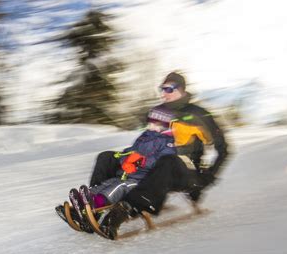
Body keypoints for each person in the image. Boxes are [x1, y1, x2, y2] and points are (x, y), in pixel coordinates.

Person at [94, 71, 229, 239]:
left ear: (182, 90)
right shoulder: (160, 113)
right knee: (106, 157)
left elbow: (223, 148)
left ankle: (126, 209)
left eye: (169, 89)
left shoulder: (198, 114)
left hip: (185, 172)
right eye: (162, 89)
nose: (163, 93)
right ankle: (95, 206)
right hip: (155, 167)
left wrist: (209, 175)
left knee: (168, 161)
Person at [88, 106, 177, 208]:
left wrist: (142, 161)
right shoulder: (145, 136)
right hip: (128, 174)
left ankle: (99, 202)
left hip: (142, 180)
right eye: (149, 122)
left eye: (153, 123)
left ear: (162, 125)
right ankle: (88, 196)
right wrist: (124, 159)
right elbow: (130, 151)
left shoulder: (167, 142)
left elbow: (164, 162)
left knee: (120, 186)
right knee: (109, 182)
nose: (149, 125)